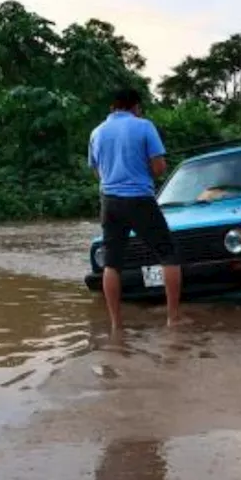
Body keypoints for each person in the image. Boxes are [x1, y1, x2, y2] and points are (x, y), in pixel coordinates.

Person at [88, 86, 185, 333]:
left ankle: (116, 325)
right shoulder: (143, 126)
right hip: (139, 200)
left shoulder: (96, 132)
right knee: (168, 255)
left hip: (109, 202)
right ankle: (173, 319)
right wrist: (141, 170)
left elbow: (97, 171)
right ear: (135, 106)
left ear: (112, 106)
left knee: (112, 264)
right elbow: (159, 167)